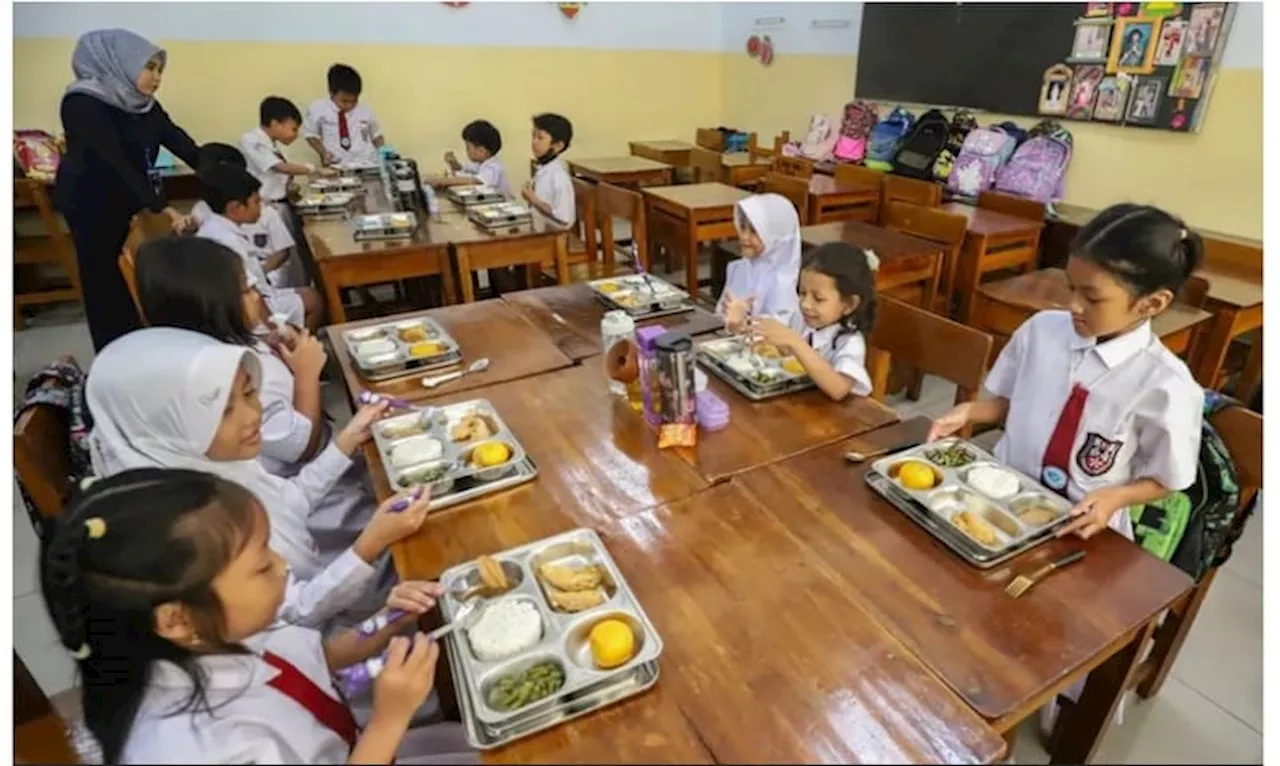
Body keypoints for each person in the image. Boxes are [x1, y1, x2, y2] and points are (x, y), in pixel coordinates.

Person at [39, 468, 475, 764]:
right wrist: (389, 719)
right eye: (261, 565)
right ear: (176, 619)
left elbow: (316, 659)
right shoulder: (195, 749)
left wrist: (387, 621)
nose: (283, 566)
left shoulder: (215, 633)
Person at [84, 326, 416, 623]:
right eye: (225, 411)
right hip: (321, 642)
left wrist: (346, 442)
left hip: (325, 583)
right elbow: (295, 609)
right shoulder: (191, 527)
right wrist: (370, 544)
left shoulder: (217, 465)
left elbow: (291, 500)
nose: (253, 415)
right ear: (166, 431)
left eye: (248, 393)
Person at [930, 203, 1205, 541]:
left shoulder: (1166, 385)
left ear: (1152, 303)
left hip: (1081, 526)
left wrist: (1116, 498)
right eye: (1071, 288)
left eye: (1092, 298)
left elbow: (1166, 479)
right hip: (998, 496)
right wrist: (971, 411)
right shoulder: (1042, 331)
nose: (1073, 306)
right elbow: (1010, 404)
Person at [135, 236, 376, 559]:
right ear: (215, 305)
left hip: (314, 477)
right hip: (311, 503)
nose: (257, 297)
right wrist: (306, 376)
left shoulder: (227, 346)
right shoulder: (224, 381)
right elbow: (300, 447)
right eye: (247, 291)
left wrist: (278, 352)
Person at [53, 28, 202, 352]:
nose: (156, 77)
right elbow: (112, 160)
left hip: (126, 198)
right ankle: (113, 355)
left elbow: (178, 140)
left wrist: (218, 172)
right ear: (120, 62)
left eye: (159, 69)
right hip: (90, 202)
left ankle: (138, 344)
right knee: (103, 281)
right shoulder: (82, 102)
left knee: (133, 276)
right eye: (149, 67)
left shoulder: (144, 105)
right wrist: (159, 205)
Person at [196, 163, 322, 330]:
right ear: (235, 208)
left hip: (259, 296)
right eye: (256, 202)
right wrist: (274, 329)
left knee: (309, 292)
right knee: (314, 300)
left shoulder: (214, 227)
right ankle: (296, 349)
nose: (261, 207)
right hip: (249, 310)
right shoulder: (227, 241)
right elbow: (251, 294)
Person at [752, 242, 877, 401]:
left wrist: (795, 343)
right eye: (802, 293)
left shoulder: (850, 342)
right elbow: (781, 345)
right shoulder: (803, 319)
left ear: (849, 304)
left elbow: (838, 389)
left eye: (818, 299)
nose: (805, 304)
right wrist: (741, 322)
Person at [191, 143, 301, 288]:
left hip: (263, 274)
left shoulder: (264, 211)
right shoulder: (208, 219)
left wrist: (260, 273)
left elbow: (282, 253)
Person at [717, 194, 802, 333]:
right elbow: (721, 314)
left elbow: (776, 337)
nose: (744, 237)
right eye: (743, 227)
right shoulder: (740, 267)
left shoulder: (782, 284)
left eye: (754, 232)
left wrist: (741, 322)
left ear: (776, 237)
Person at [240, 96, 333, 211]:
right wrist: (314, 169)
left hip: (282, 203)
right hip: (266, 207)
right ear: (275, 124)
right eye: (294, 129)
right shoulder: (252, 140)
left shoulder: (274, 144)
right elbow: (279, 167)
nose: (297, 134)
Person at [304, 64, 384, 167]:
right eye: (344, 101)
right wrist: (323, 153)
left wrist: (383, 153)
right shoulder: (318, 108)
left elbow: (377, 135)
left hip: (367, 163)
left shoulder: (365, 110)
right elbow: (311, 135)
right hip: (337, 164)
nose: (349, 105)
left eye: (354, 101)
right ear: (331, 93)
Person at [429, 119, 510, 197]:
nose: (466, 150)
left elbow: (474, 181)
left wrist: (442, 181)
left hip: (502, 206)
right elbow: (463, 169)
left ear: (481, 151)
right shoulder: (480, 164)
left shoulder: (494, 167)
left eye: (468, 147)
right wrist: (453, 163)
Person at [522, 113, 575, 226]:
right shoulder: (543, 168)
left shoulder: (559, 176)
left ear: (558, 146)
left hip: (554, 238)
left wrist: (533, 200)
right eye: (533, 136)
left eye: (540, 138)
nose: (534, 142)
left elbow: (563, 218)